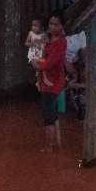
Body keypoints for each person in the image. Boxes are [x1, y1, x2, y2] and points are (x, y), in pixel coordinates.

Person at [31, 13, 68, 152]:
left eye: (56, 24)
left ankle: (49, 147)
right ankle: (57, 143)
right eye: (51, 24)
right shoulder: (49, 39)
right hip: (47, 81)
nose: (52, 27)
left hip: (52, 83)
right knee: (52, 113)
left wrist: (36, 63)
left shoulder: (61, 42)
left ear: (62, 26)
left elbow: (48, 63)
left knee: (48, 115)